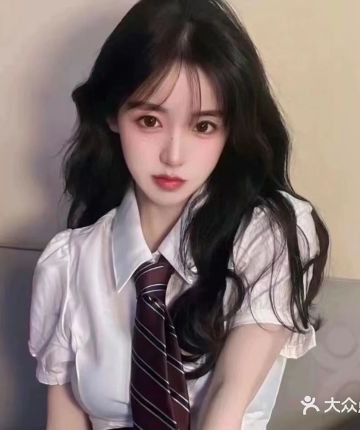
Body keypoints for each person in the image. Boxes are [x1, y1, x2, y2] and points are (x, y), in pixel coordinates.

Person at [28, 0, 330, 429]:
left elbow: (226, 403)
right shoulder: (68, 264)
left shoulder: (269, 234)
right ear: (113, 114)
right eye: (149, 121)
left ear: (231, 130)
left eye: (203, 126)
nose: (173, 155)